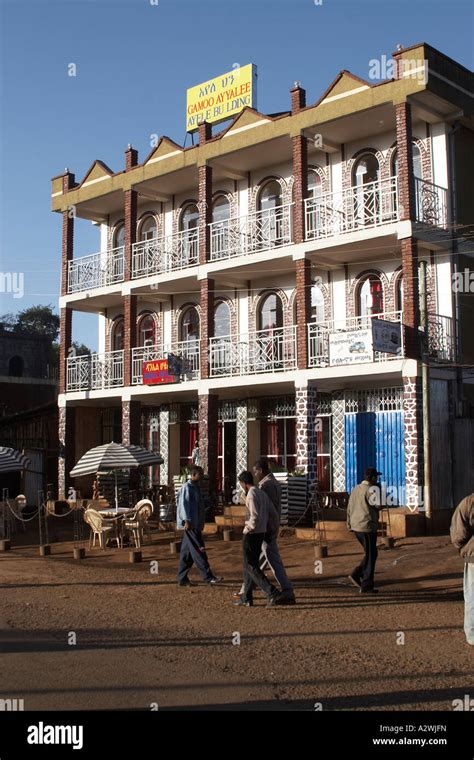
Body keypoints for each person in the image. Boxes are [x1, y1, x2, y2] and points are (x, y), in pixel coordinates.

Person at [234, 460, 295, 604]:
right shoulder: (266, 486)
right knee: (254, 563)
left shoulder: (267, 486)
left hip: (263, 530)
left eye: (256, 471)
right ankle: (246, 593)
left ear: (261, 470)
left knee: (261, 563)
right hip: (264, 529)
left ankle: (284, 591)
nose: (255, 474)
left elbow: (269, 511)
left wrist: (266, 528)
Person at [176, 465, 222, 587]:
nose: (202, 477)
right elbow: (183, 505)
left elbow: (200, 503)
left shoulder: (196, 488)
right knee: (199, 550)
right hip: (191, 525)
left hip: (196, 524)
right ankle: (208, 577)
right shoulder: (187, 487)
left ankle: (182, 577)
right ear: (193, 475)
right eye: (200, 474)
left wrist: (210, 500)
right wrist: (186, 519)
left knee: (187, 554)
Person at [346, 467, 382, 594]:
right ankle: (366, 583)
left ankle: (358, 573)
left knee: (371, 553)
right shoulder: (371, 490)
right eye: (376, 477)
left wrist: (349, 524)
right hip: (366, 526)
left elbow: (349, 507)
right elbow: (378, 505)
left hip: (356, 526)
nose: (377, 478)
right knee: (371, 554)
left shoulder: (356, 489)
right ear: (372, 478)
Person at [450, 493, 474, 645]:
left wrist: (465, 549)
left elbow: (458, 535)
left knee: (472, 597)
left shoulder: (468, 502)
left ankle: (472, 635)